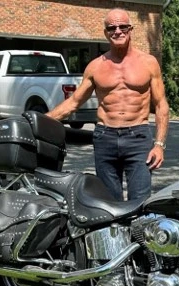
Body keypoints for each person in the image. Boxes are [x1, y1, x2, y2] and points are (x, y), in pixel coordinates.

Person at [46, 8, 169, 201]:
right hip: (105, 138)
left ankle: (136, 232)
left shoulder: (148, 63)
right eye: (111, 27)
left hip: (138, 137)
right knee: (109, 203)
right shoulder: (96, 66)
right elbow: (74, 102)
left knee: (140, 201)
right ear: (105, 32)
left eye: (122, 27)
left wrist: (159, 144)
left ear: (130, 29)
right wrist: (41, 121)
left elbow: (161, 105)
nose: (117, 31)